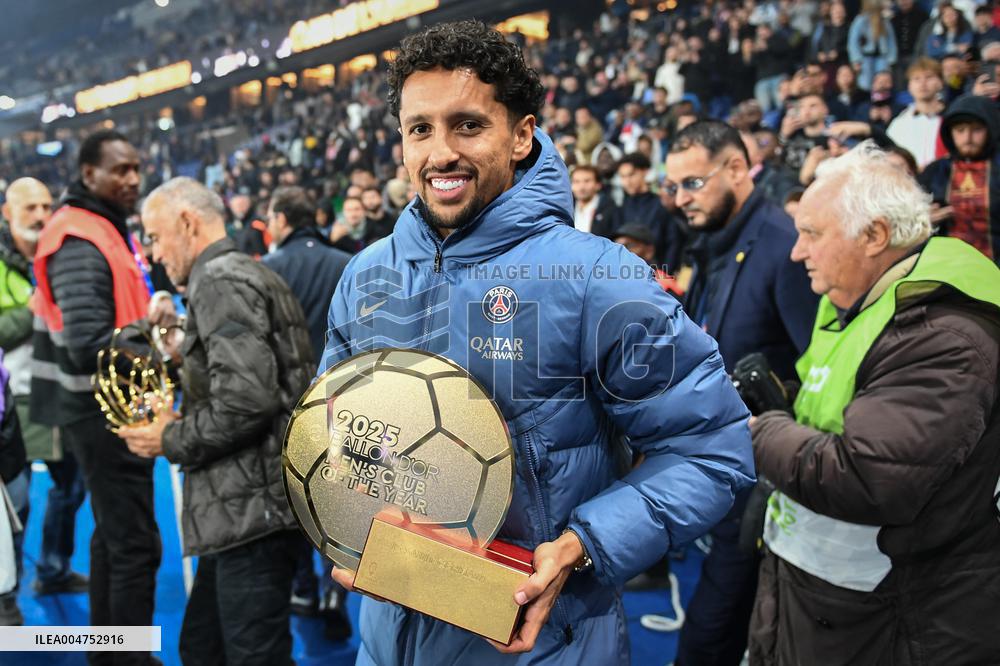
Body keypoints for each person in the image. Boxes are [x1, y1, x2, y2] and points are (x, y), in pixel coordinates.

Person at [322, 20, 754, 665]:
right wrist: (349, 513)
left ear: (522, 135)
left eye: (468, 125)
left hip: (545, 646)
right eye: (420, 129)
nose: (441, 152)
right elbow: (338, 433)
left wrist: (583, 545)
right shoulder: (365, 276)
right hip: (387, 640)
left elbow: (713, 448)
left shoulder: (597, 276)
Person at [749, 141, 1000, 665]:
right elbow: (834, 406)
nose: (797, 253)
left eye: (812, 234)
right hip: (834, 597)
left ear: (875, 236)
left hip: (896, 616)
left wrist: (759, 428)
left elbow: (867, 478)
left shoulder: (941, 333)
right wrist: (786, 404)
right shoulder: (854, 301)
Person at [119, 177, 314, 666]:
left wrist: (170, 437)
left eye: (155, 237)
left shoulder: (220, 280)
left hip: (253, 511)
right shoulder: (237, 272)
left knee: (250, 656)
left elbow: (246, 400)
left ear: (187, 223)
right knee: (203, 646)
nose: (154, 253)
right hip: (246, 506)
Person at [664, 121, 818, 666]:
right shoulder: (715, 240)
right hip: (723, 461)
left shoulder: (782, 246)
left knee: (712, 630)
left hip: (763, 474)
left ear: (735, 168)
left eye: (692, 183)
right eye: (673, 187)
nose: (681, 199)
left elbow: (816, 367)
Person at [31, 129, 161, 666]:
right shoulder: (80, 236)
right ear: (89, 174)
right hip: (102, 410)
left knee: (114, 537)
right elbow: (88, 343)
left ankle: (108, 655)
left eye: (136, 168)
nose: (132, 179)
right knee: (135, 544)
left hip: (108, 405)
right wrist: (161, 352)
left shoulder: (100, 227)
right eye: (120, 170)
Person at [262, 186, 355, 641]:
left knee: (296, 497)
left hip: (288, 403)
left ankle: (304, 588)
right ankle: (336, 589)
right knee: (339, 497)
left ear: (281, 219)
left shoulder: (268, 268)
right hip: (342, 398)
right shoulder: (348, 263)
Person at [0, 178, 88, 600]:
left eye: (46, 206)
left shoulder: (60, 257)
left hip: (61, 392)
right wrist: (31, 309)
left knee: (72, 486)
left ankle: (53, 569)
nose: (40, 216)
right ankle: (8, 592)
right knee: (14, 502)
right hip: (13, 403)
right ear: (7, 213)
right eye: (30, 208)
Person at [920, 94, 1000, 262]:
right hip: (946, 268)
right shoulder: (936, 171)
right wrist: (922, 221)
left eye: (976, 130)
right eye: (960, 130)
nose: (967, 138)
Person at [616, 153, 684, 270]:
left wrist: (665, 273)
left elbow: (673, 242)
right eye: (622, 177)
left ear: (645, 171)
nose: (627, 182)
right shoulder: (620, 208)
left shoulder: (661, 204)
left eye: (631, 175)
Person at [886, 57, 947, 169]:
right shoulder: (899, 124)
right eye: (916, 79)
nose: (923, 83)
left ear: (940, 82)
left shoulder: (950, 118)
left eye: (928, 77)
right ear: (909, 86)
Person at [570, 165, 619, 238]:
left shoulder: (610, 209)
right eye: (576, 181)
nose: (581, 187)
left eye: (587, 181)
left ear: (598, 185)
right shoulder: (566, 208)